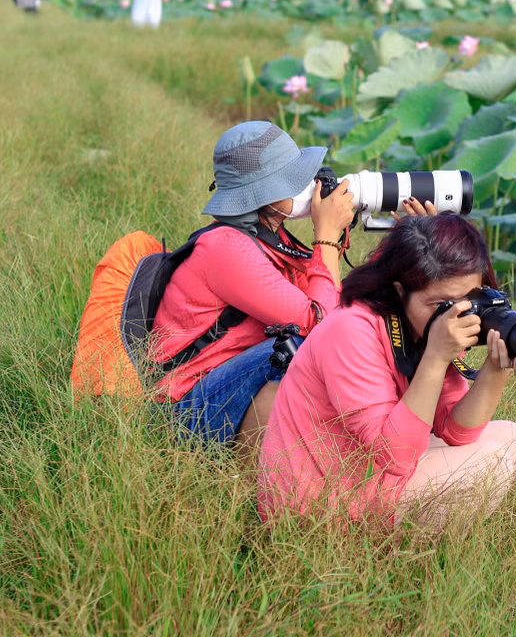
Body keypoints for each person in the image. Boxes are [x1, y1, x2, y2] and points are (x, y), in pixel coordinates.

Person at [257, 213, 516, 529]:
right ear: (401, 291)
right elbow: (395, 457)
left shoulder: (426, 327)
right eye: (441, 304)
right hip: (316, 506)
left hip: (363, 473)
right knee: (489, 464)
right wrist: (435, 357)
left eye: (467, 302)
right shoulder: (352, 330)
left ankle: (414, 555)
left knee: (513, 439)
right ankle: (396, 562)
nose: (456, 316)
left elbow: (457, 431)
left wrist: (495, 370)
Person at [149, 121, 359, 455]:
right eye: (295, 179)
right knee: (298, 344)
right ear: (265, 194)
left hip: (221, 384)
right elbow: (319, 321)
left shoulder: (267, 237)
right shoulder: (227, 249)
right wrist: (327, 236)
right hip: (182, 410)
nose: (309, 185)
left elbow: (330, 297)